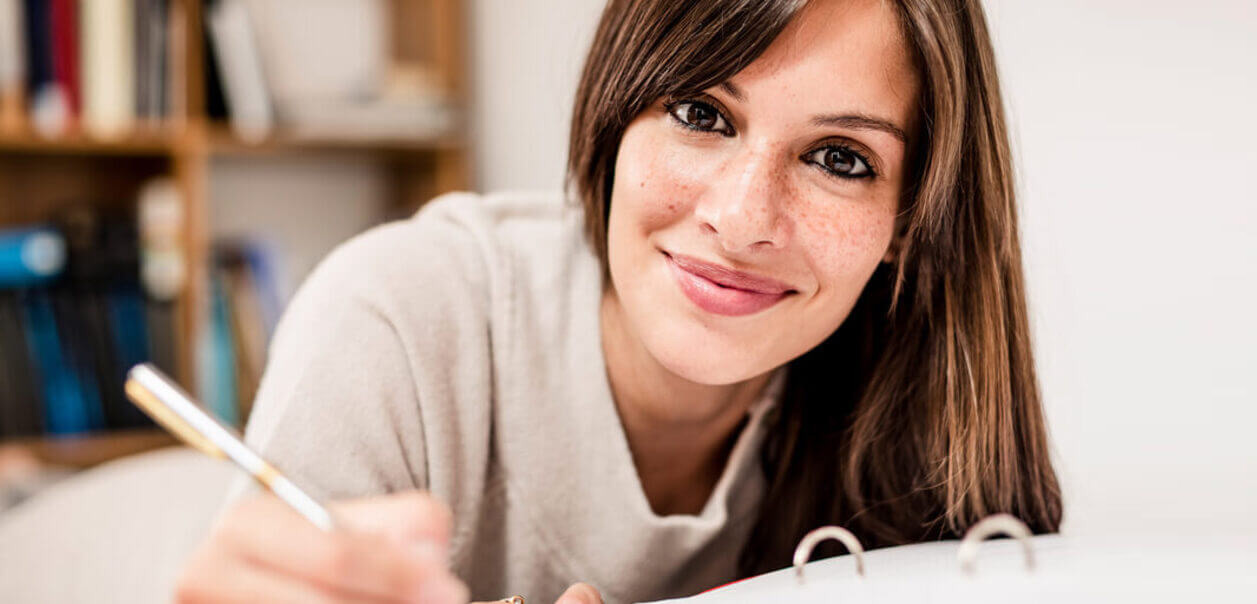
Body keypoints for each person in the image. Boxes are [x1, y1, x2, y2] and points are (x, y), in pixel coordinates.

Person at [173, 0, 1061, 602]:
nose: (742, 220)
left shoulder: (922, 419)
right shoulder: (398, 317)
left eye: (839, 159)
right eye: (702, 114)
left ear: (910, 221)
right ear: (614, 116)